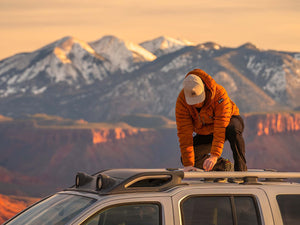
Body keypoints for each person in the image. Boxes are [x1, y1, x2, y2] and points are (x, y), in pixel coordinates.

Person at [175, 69, 247, 172]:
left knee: (233, 129)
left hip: (227, 122)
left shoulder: (219, 94)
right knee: (188, 157)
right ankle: (224, 166)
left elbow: (221, 126)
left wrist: (214, 155)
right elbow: (184, 133)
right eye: (193, 102)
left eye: (199, 100)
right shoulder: (182, 102)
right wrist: (188, 164)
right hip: (207, 130)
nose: (196, 104)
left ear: (204, 87)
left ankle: (241, 170)